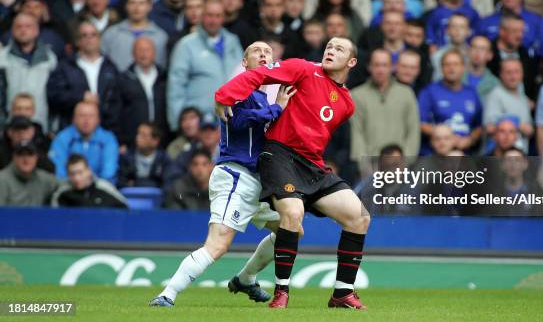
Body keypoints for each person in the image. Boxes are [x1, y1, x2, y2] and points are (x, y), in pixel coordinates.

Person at [214, 37, 370, 309]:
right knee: (293, 214)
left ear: (352, 62)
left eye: (339, 49)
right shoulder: (302, 68)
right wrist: (224, 96)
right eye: (329, 46)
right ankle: (281, 293)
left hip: (311, 164)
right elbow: (260, 74)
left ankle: (342, 294)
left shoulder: (347, 104)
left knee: (359, 217)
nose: (330, 50)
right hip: (279, 155)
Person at [151, 41, 295, 307]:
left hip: (258, 179)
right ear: (244, 62)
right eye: (256, 51)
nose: (263, 55)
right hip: (235, 176)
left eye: (268, 53)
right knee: (218, 244)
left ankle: (246, 278)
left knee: (289, 228)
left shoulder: (266, 98)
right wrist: (277, 110)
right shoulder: (238, 88)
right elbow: (237, 121)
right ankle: (166, 295)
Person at [167, 0, 243, 131]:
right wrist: (177, 123)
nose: (213, 20)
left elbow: (244, 78)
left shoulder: (234, 42)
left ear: (223, 18)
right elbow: (176, 86)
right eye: (209, 15)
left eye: (218, 16)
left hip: (231, 122)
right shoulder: (186, 45)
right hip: (198, 124)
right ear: (202, 16)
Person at [350, 49, 420, 174]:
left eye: (384, 65)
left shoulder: (406, 93)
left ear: (392, 67)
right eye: (376, 65)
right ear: (369, 67)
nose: (380, 70)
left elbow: (413, 131)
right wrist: (364, 166)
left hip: (401, 165)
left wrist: (405, 162)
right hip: (370, 166)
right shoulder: (356, 95)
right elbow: (357, 133)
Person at [46, 20, 120, 132]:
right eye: (84, 35)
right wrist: (80, 97)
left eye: (93, 35)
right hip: (72, 131)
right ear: (77, 41)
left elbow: (118, 101)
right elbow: (54, 95)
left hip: (105, 131)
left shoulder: (110, 67)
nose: (89, 39)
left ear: (99, 39)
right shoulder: (65, 67)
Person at [0, 12, 57, 131]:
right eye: (19, 26)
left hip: (42, 126)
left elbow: (54, 98)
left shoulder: (50, 59)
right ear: (12, 30)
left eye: (28, 26)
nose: (23, 30)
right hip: (10, 127)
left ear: (36, 30)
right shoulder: (2, 58)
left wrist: (53, 128)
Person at [419, 49, 483, 155]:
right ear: (441, 68)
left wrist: (470, 140)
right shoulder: (429, 91)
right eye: (447, 64)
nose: (451, 68)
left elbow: (479, 126)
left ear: (463, 67)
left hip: (465, 153)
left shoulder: (471, 93)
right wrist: (446, 137)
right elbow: (421, 124)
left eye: (456, 64)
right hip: (436, 154)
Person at [48, 101, 119, 184]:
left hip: (100, 188)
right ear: (74, 119)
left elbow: (109, 172)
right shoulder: (62, 138)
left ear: (98, 120)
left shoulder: (108, 139)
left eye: (91, 116)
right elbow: (58, 171)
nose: (86, 120)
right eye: (82, 116)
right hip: (69, 187)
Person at [116, 37, 168, 148]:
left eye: (147, 50)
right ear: (133, 54)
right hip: (132, 143)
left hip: (162, 141)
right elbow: (116, 112)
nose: (144, 54)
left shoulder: (165, 78)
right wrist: (121, 141)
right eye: (140, 50)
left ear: (154, 53)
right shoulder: (123, 79)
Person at [101, 0, 168, 72]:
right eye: (132, 3)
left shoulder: (161, 36)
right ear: (126, 6)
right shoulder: (111, 33)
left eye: (141, 3)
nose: (137, 7)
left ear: (149, 6)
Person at [484, 59, 533, 151]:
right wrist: (517, 123)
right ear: (501, 75)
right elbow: (489, 128)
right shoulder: (495, 95)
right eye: (508, 72)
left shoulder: (523, 97)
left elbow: (529, 130)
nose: (513, 76)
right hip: (499, 156)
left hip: (519, 155)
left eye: (516, 72)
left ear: (522, 74)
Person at [51, 153, 127, 208]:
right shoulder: (62, 193)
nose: (77, 178)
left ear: (89, 171)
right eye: (72, 174)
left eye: (80, 172)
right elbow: (56, 217)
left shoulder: (104, 187)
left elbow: (125, 208)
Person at [0, 140, 58, 206]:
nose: (26, 159)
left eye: (30, 154)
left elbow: (65, 184)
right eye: (21, 154)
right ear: (14, 157)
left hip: (37, 216)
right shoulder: (2, 179)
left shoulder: (43, 178)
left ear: (36, 157)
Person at [118, 122, 174, 189]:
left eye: (143, 135)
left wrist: (136, 183)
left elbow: (168, 184)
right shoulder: (126, 157)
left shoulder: (164, 159)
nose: (137, 138)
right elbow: (121, 182)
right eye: (138, 134)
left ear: (155, 141)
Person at [463, 35, 499, 100]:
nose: (477, 52)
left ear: (490, 55)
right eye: (474, 47)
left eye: (482, 49)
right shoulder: (456, 77)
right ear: (468, 51)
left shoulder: (495, 84)